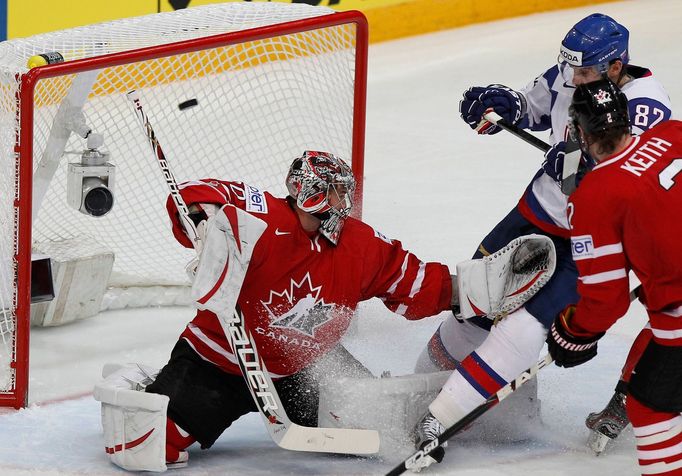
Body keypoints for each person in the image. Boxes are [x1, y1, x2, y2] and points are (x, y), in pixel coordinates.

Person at [413, 12, 672, 467]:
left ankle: (445, 412)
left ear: (615, 68)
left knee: (527, 325)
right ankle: (428, 385)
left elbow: (628, 171)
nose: (573, 78)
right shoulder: (573, 74)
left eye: (585, 72)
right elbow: (534, 107)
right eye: (570, 69)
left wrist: (582, 167)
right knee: (474, 301)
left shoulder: (646, 103)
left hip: (590, 238)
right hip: (535, 212)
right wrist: (503, 106)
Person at [94, 150, 457, 471]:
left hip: (307, 368)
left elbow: (416, 282)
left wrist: (467, 293)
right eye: (336, 190)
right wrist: (204, 219)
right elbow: (199, 191)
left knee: (380, 424)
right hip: (219, 362)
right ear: (313, 193)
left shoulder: (357, 243)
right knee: (144, 446)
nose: (344, 200)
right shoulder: (264, 215)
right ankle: (146, 387)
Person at [547, 78, 682, 476]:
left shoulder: (594, 195)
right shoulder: (672, 133)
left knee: (649, 408)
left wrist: (573, 333)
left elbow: (606, 299)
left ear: (581, 133)